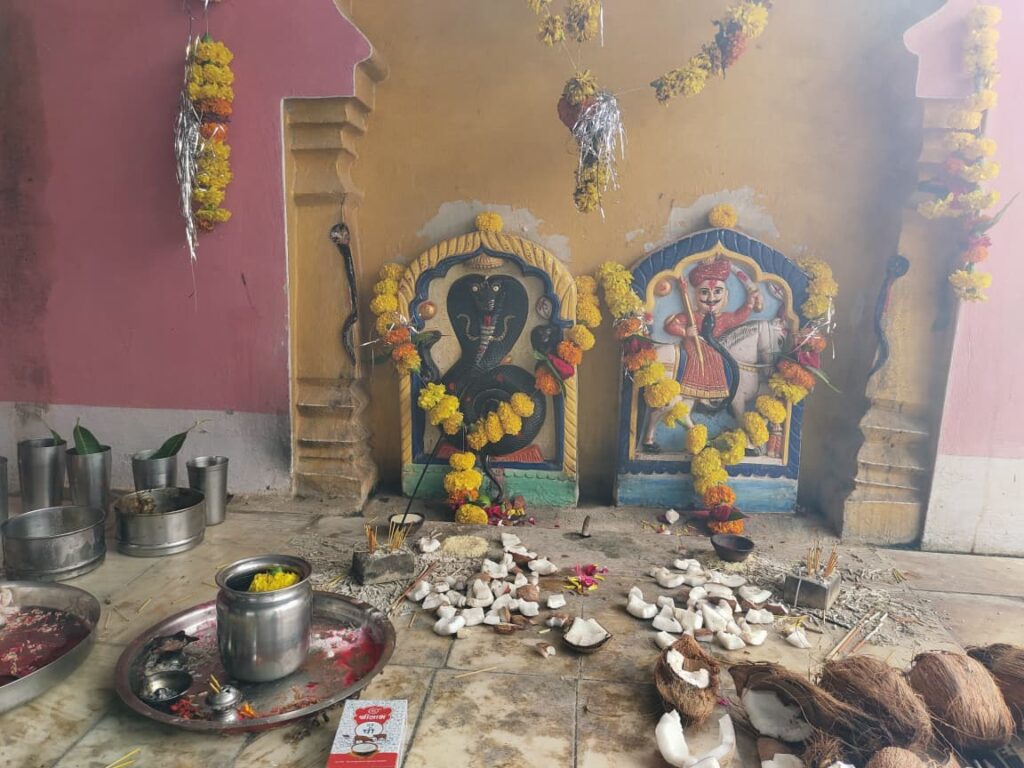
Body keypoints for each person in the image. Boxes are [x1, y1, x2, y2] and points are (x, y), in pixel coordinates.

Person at [641, 256, 762, 449]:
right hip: (694, 349)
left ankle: (711, 397)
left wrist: (749, 303)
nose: (711, 298)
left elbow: (740, 316)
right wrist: (686, 332)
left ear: (725, 294)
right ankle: (703, 393)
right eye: (704, 292)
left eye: (717, 291)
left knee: (719, 357)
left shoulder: (724, 318)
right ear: (695, 294)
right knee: (710, 357)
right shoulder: (692, 315)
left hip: (715, 348)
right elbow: (671, 326)